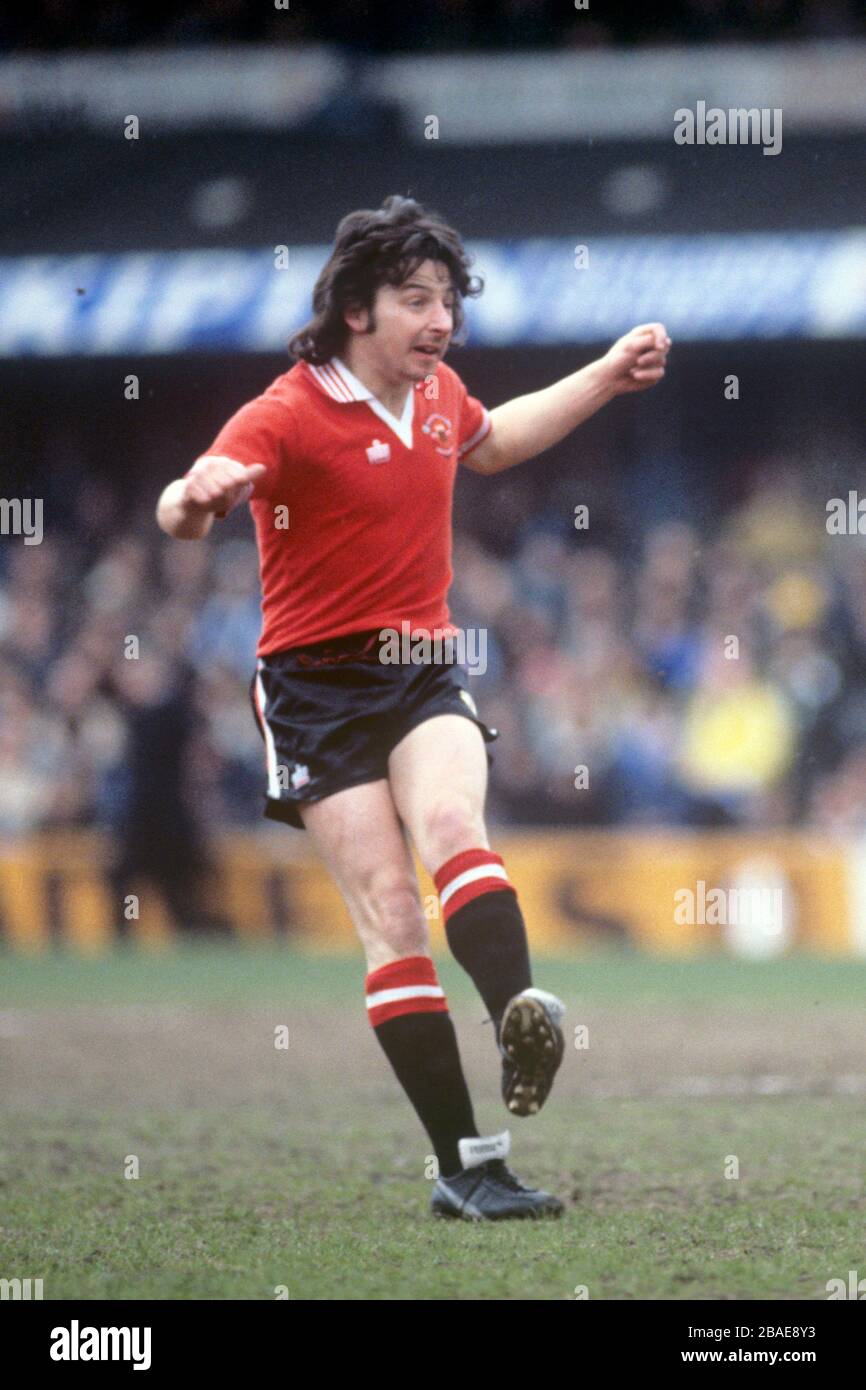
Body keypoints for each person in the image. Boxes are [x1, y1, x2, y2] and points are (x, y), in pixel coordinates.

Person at [156, 194, 670, 1220]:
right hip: (311, 691)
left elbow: (489, 439)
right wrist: (197, 494)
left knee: (450, 825)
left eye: (446, 302)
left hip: (421, 664)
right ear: (355, 307)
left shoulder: (437, 396)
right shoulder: (286, 410)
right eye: (414, 300)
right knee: (391, 916)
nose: (438, 321)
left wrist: (605, 377)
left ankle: (517, 1017)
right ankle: (465, 1167)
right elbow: (183, 506)